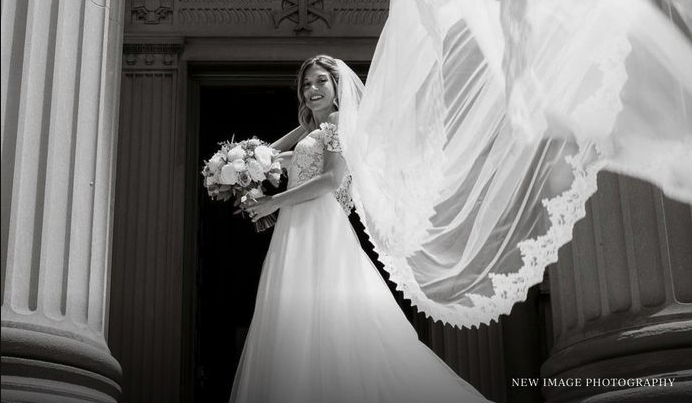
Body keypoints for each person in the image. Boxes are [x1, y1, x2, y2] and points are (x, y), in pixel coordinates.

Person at [233, 55, 489, 403]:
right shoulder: (317, 129)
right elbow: (275, 154)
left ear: (338, 86)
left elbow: (331, 179)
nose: (312, 89)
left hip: (318, 222)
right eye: (306, 84)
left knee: (325, 315)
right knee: (301, 315)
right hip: (299, 223)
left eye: (321, 81)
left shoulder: (339, 122)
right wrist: (242, 161)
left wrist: (274, 202)